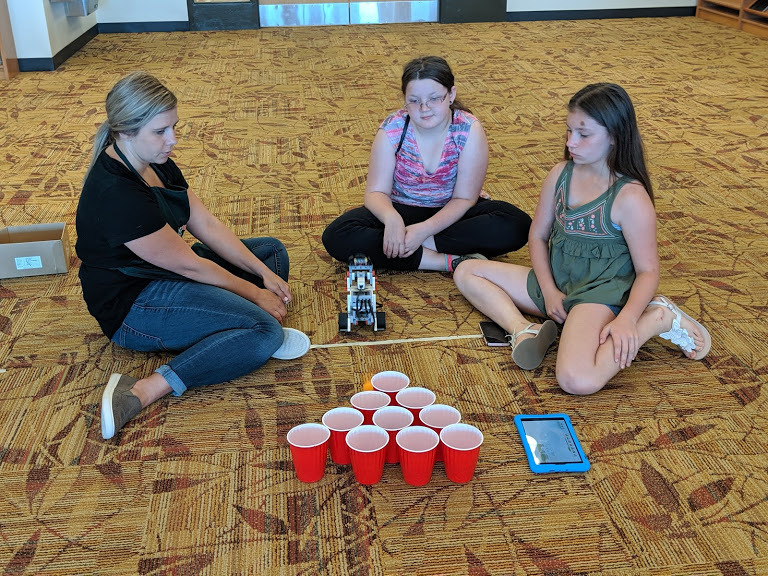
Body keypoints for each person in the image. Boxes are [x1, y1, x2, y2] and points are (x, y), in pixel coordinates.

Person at [75, 72, 310, 440]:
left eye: (173, 127)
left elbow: (206, 224)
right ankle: (143, 389)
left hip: (169, 269)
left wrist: (262, 274)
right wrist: (255, 293)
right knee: (265, 332)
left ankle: (224, 332)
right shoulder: (116, 194)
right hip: (135, 302)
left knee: (270, 255)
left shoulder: (153, 159)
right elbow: (189, 263)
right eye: (161, 131)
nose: (173, 140)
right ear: (125, 131)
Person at [454, 83, 711, 395]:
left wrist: (628, 319)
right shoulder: (560, 174)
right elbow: (537, 235)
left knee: (576, 380)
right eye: (569, 130)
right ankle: (523, 329)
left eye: (584, 134)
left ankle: (657, 317)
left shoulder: (630, 197)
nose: (570, 142)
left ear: (615, 136)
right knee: (467, 271)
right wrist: (548, 291)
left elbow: (648, 271)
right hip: (559, 282)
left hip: (598, 293)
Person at [322, 56, 531, 272]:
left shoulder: (468, 128)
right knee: (337, 235)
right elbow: (375, 192)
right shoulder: (392, 128)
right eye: (414, 100)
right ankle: (447, 261)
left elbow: (465, 198)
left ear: (451, 95)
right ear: (405, 100)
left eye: (434, 99)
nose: (424, 108)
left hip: (452, 211)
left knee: (517, 224)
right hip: (402, 207)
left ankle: (409, 247)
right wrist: (392, 219)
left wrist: (422, 232)